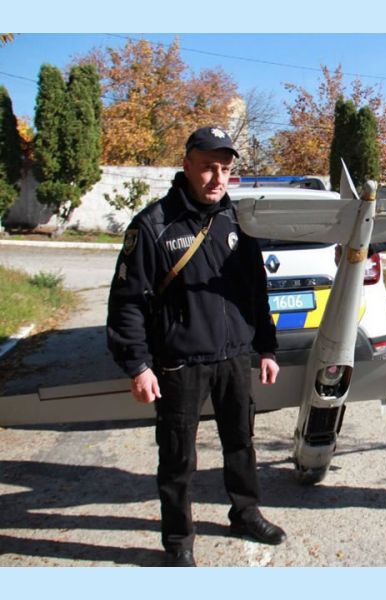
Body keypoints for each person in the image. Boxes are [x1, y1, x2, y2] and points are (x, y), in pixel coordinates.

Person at [107, 126, 286, 567]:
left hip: (233, 358)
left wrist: (266, 348)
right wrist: (137, 365)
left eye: (224, 169)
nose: (217, 178)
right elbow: (128, 301)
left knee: (241, 444)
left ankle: (245, 513)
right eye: (207, 167)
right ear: (187, 165)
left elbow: (255, 291)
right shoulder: (153, 225)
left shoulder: (237, 221)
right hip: (179, 363)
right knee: (178, 458)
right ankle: (178, 540)